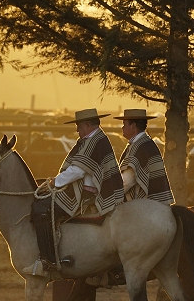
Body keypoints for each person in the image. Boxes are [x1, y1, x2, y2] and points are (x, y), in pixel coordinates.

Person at [27, 108, 124, 274]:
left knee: (41, 208)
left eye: (79, 126)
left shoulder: (94, 141)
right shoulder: (96, 139)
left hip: (88, 193)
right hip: (86, 187)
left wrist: (55, 182)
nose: (77, 130)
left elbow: (78, 170)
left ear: (87, 125)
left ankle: (47, 261)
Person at [116, 109, 174, 204]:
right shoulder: (145, 144)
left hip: (147, 203)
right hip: (157, 201)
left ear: (133, 126)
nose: (122, 128)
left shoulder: (139, 147)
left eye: (124, 124)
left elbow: (127, 181)